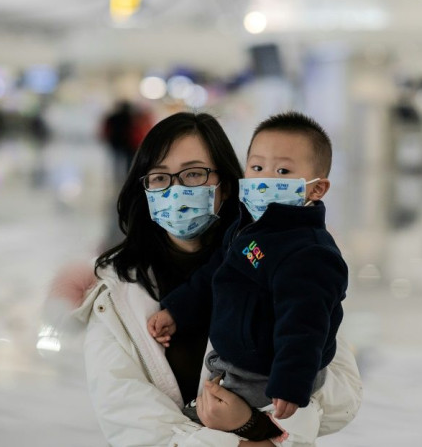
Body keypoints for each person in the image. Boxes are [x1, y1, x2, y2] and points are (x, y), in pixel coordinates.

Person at [64, 112, 361, 446]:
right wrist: (248, 440)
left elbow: (339, 396)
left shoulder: (289, 258)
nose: (176, 191)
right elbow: (136, 426)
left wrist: (256, 421)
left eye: (194, 174)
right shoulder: (115, 294)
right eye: (160, 178)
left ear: (227, 184)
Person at [147, 112, 346, 443]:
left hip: (266, 374)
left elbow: (306, 325)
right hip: (237, 360)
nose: (265, 178)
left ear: (317, 188)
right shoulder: (249, 227)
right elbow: (216, 274)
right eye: (257, 168)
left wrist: (290, 382)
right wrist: (177, 310)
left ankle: (252, 431)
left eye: (282, 171)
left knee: (217, 425)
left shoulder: (309, 252)